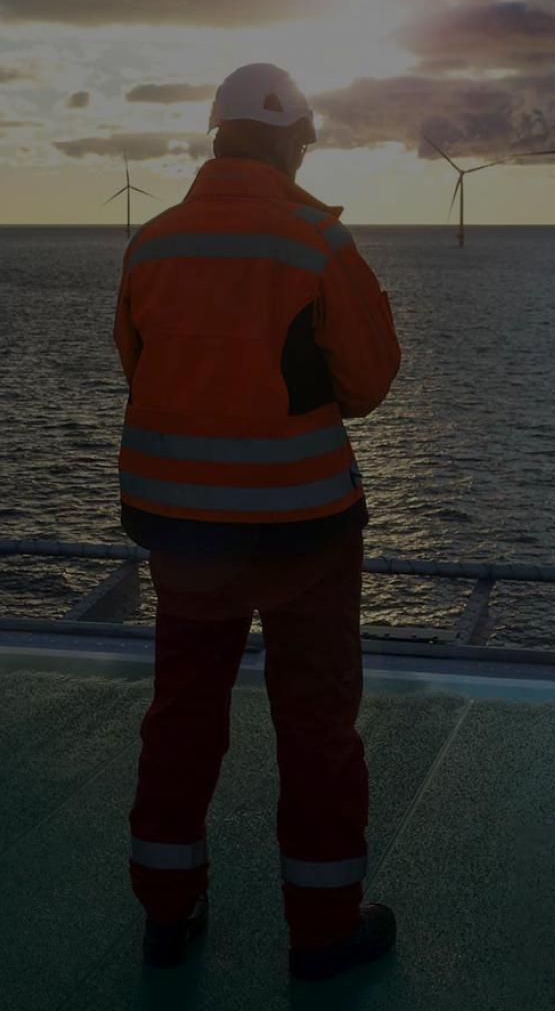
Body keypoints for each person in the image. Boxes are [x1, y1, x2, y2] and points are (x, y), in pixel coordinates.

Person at [112, 63, 403, 981]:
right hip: (302, 534)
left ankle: (168, 912)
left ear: (215, 137)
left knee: (182, 720)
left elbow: (140, 364)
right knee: (316, 729)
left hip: (182, 535)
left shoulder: (151, 246)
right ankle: (321, 934)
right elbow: (369, 380)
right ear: (291, 141)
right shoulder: (316, 244)